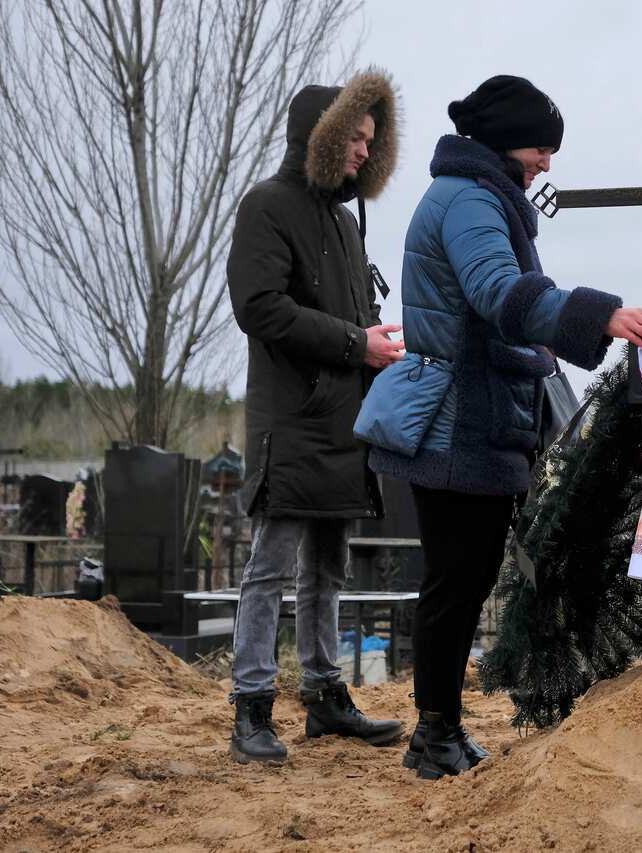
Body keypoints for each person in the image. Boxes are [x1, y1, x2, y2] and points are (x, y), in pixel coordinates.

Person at [366, 75, 642, 779]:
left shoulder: (480, 195)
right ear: (507, 141)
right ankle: (433, 733)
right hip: (456, 424)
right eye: (541, 147)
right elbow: (500, 293)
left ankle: (441, 726)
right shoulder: (469, 201)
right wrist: (602, 317)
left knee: (465, 580)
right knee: (455, 582)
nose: (547, 163)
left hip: (477, 419)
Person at [225, 68, 407, 764]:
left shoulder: (344, 221)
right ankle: (251, 707)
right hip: (292, 418)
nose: (365, 151)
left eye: (370, 140)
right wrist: (354, 342)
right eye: (355, 139)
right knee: (270, 565)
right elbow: (260, 308)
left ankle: (326, 696)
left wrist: (377, 339)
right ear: (320, 138)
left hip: (342, 419)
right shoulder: (266, 206)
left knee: (329, 566)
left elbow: (350, 320)